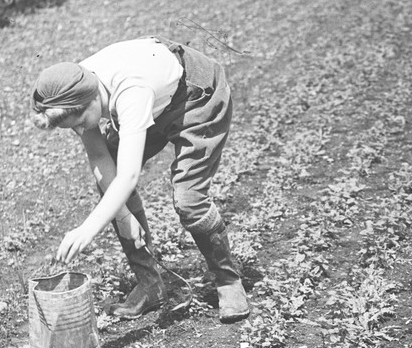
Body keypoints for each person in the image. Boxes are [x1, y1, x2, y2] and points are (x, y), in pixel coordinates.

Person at [31, 36, 250, 323]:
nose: (84, 129)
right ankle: (150, 284)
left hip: (197, 98)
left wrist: (87, 230)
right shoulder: (70, 89)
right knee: (112, 180)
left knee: (189, 199)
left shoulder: (130, 92)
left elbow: (128, 175)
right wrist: (123, 216)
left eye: (83, 122)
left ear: (92, 98)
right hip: (155, 100)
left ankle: (227, 280)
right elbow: (99, 157)